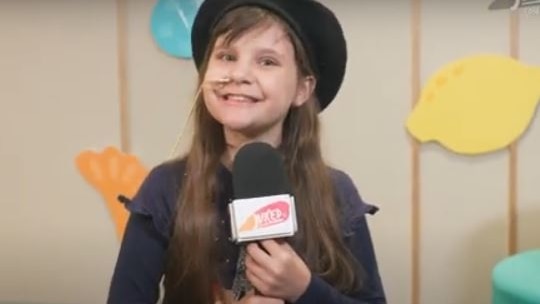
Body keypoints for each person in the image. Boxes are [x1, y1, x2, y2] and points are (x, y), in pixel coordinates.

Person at [107, 0, 386, 303]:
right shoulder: (166, 187)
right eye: (227, 56)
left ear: (302, 89)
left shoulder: (336, 193)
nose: (239, 74)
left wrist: (305, 290)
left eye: (267, 61)